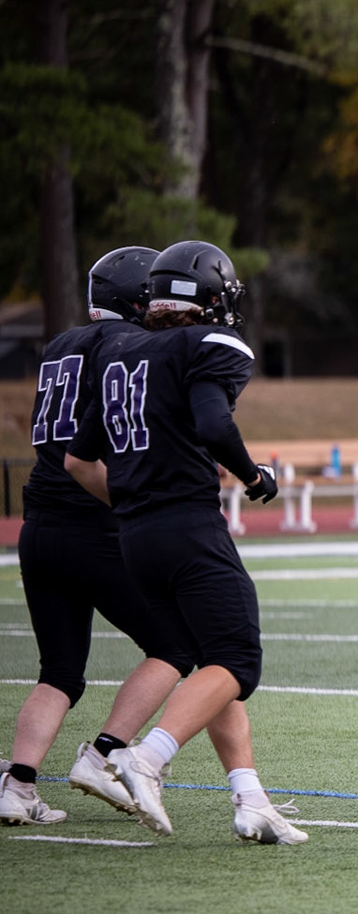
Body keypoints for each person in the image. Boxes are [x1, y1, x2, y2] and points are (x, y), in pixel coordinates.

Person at [63, 239, 306, 844]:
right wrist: (254, 476)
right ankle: (146, 758)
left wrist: (135, 504)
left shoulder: (120, 351)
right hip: (187, 525)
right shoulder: (207, 343)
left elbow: (79, 460)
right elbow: (213, 423)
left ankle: (251, 799)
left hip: (136, 537)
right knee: (238, 661)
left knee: (212, 659)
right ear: (209, 297)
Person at [2, 248, 193, 826]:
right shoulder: (127, 344)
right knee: (177, 645)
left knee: (59, 671)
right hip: (94, 521)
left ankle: (18, 785)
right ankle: (105, 755)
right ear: (138, 299)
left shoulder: (60, 344)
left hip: (39, 524)